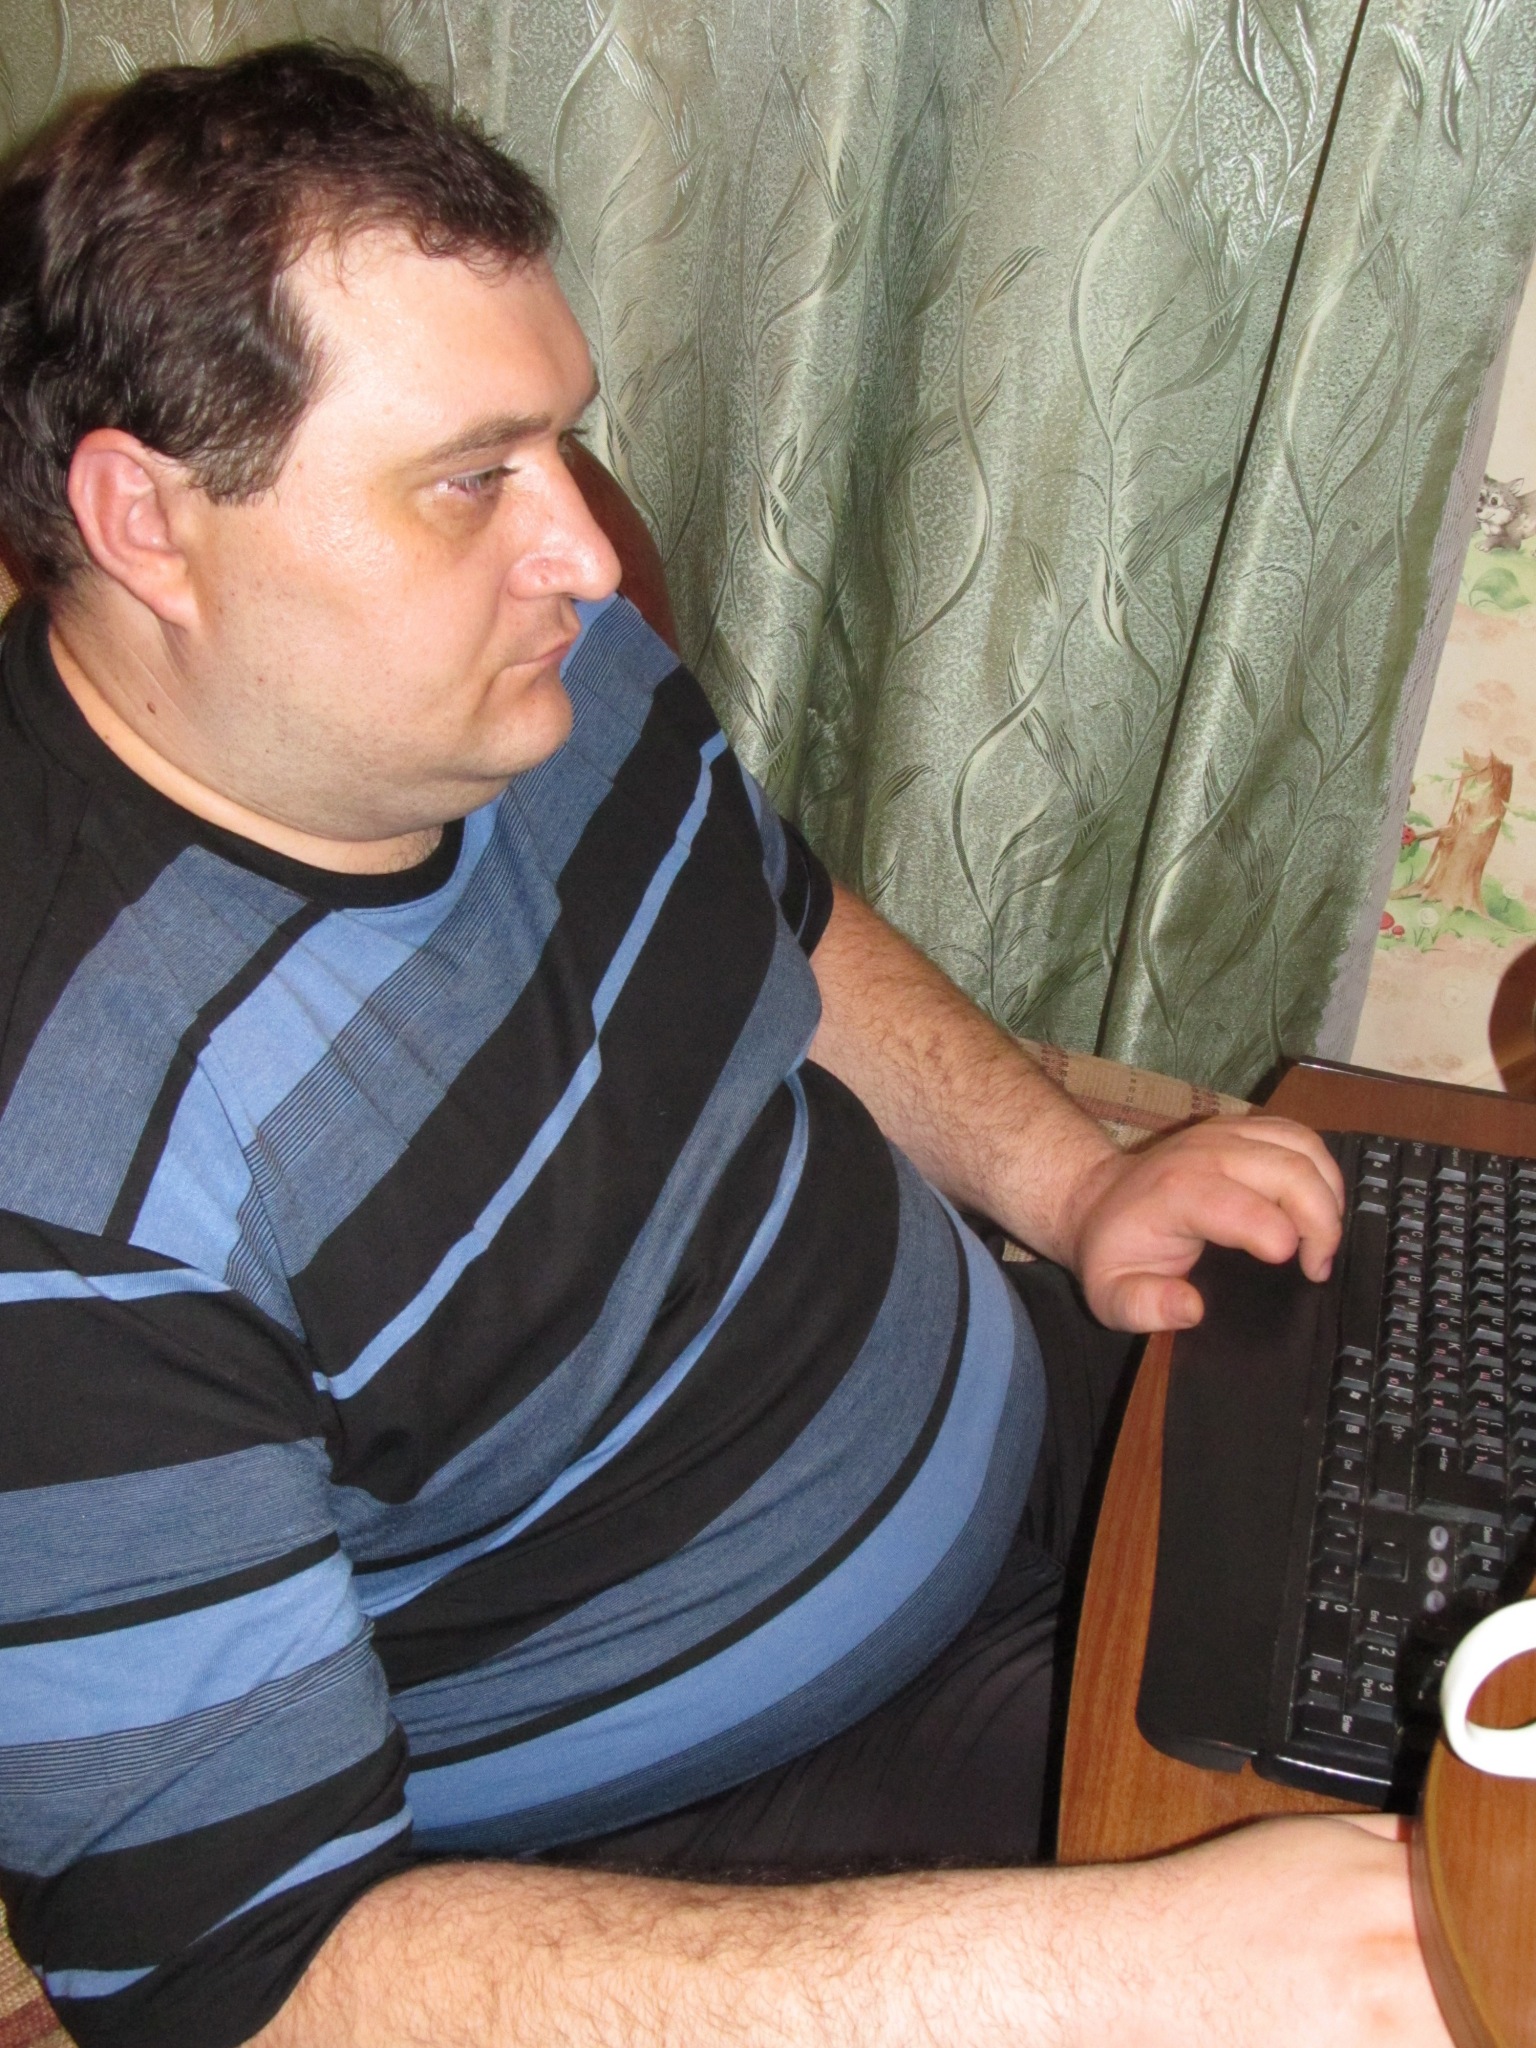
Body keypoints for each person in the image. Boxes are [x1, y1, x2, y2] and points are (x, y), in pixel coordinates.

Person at [0, 43, 1450, 2048]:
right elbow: (231, 1979)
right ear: (146, 522)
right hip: (737, 1796)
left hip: (1029, 1388)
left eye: (558, 442)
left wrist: (1075, 1174)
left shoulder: (523, 675)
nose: (587, 554)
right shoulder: (71, 1200)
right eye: (470, 477)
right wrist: (1117, 1966)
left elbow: (771, 916)